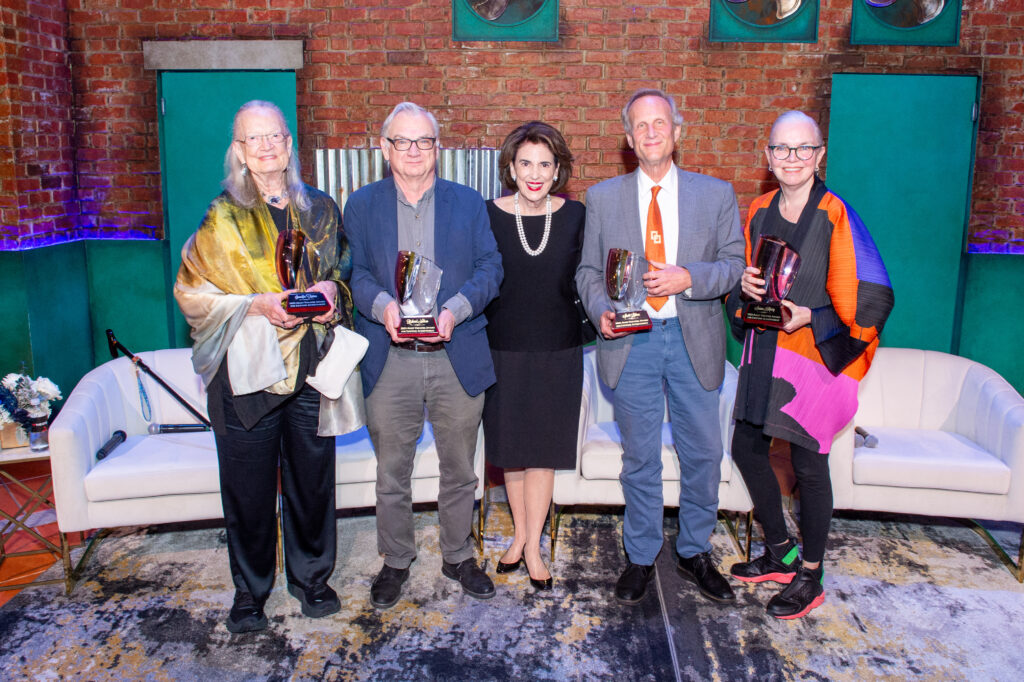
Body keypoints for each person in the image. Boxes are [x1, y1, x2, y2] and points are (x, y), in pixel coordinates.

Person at [175, 100, 363, 633]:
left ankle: (312, 580)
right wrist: (256, 304)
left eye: (274, 136)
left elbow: (345, 270)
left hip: (310, 368)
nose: (265, 146)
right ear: (238, 150)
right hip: (247, 376)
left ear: (289, 144)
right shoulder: (222, 216)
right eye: (252, 139)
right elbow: (191, 292)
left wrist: (332, 290)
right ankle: (250, 593)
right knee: (249, 488)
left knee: (312, 481)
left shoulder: (322, 209)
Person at [576, 88, 744, 605]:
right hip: (633, 343)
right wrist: (600, 309)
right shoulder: (601, 198)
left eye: (660, 123)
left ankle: (694, 550)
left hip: (695, 340)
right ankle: (641, 555)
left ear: (677, 132)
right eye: (640, 125)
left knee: (703, 453)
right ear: (628, 138)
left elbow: (735, 265)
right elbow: (586, 271)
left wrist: (687, 277)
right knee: (640, 457)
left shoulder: (716, 195)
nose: (651, 132)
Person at [725, 110, 894, 619]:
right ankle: (780, 552)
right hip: (765, 353)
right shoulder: (757, 210)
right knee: (745, 446)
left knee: (807, 465)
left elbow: (873, 294)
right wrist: (744, 290)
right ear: (768, 157)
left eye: (803, 149)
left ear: (819, 155)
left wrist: (812, 317)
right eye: (782, 149)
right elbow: (751, 283)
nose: (792, 158)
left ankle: (813, 575)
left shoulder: (835, 213)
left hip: (813, 361)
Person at [345, 102, 503, 609]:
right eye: (402, 141)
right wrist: (382, 305)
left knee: (460, 468)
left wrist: (455, 309)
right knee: (392, 471)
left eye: (424, 141)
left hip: (456, 355)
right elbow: (356, 273)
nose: (414, 151)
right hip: (390, 360)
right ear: (384, 147)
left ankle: (457, 555)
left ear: (439, 147)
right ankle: (395, 561)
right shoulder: (362, 205)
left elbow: (490, 267)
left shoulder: (468, 202)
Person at [483, 121, 587, 591]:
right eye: (526, 163)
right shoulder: (487, 215)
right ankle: (522, 537)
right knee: (511, 453)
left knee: (542, 452)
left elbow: (588, 280)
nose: (535, 173)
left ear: (558, 169)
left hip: (558, 350)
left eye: (545, 164)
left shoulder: (577, 216)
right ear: (510, 166)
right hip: (501, 349)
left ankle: (531, 546)